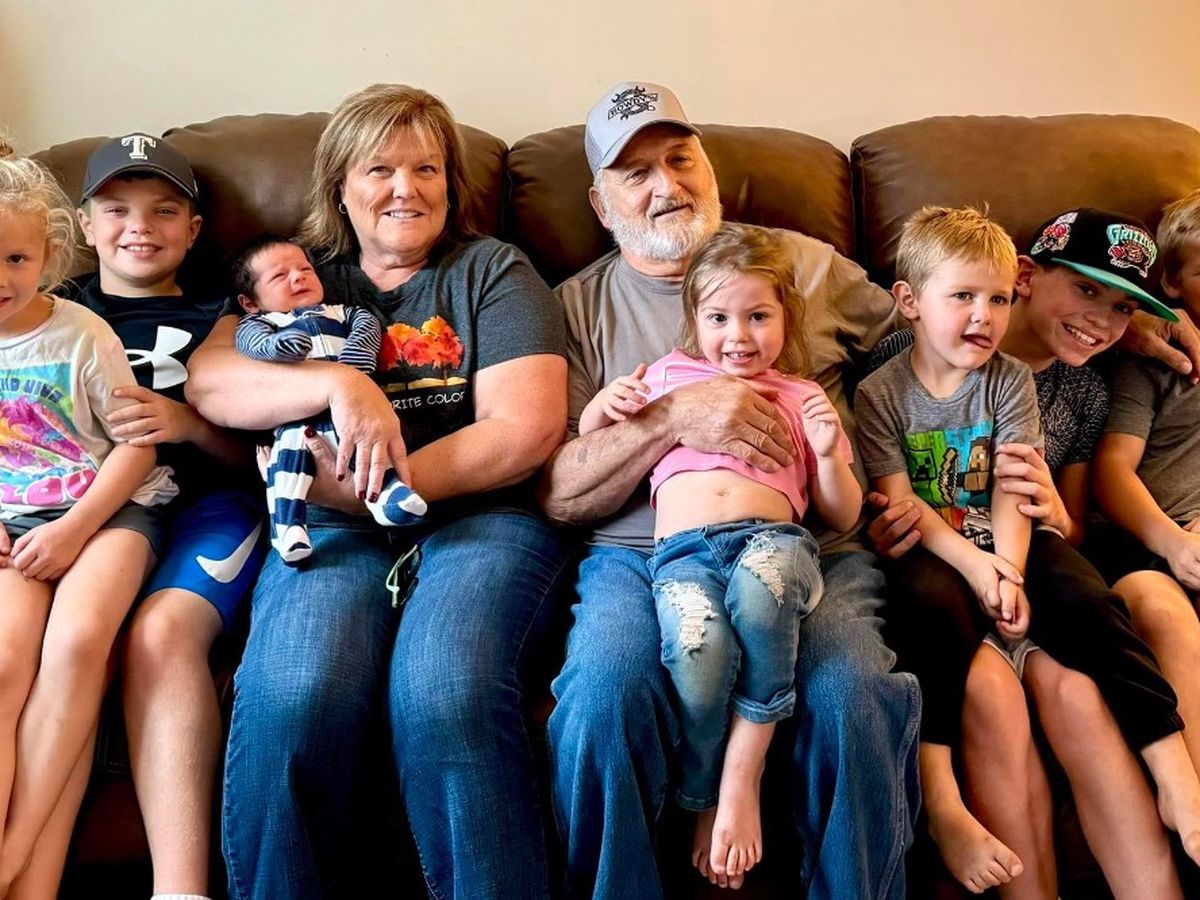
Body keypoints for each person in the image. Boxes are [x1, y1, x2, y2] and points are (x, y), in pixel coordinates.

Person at [185, 84, 568, 900]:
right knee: (293, 698)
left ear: (451, 183)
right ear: (340, 186)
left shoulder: (493, 270)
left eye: (426, 169)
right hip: (325, 528)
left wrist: (377, 488)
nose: (406, 188)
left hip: (477, 520)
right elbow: (211, 383)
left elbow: (524, 430)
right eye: (380, 169)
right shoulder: (296, 276)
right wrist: (339, 384)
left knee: (446, 694)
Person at [539, 81, 920, 898]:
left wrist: (904, 477)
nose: (667, 185)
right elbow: (559, 492)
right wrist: (674, 417)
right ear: (601, 205)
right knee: (602, 699)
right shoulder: (576, 307)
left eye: (681, 159)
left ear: (710, 166)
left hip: (810, 547)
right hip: (641, 557)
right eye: (636, 173)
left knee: (853, 695)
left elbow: (924, 352)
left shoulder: (805, 266)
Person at [867, 207, 1200, 897]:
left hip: (1028, 564)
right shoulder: (899, 361)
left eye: (1121, 308)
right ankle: (954, 816)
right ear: (1026, 276)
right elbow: (884, 488)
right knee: (987, 691)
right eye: (1084, 291)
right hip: (944, 565)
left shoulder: (1083, 387)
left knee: (1076, 688)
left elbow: (1070, 529)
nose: (1100, 320)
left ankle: (1178, 794)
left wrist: (1045, 523)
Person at [581, 223, 861, 884]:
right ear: (693, 320)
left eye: (758, 316)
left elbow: (843, 514)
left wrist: (827, 456)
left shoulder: (802, 394)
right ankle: (704, 793)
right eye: (719, 317)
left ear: (786, 319)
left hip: (772, 543)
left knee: (764, 597)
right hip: (682, 556)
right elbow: (592, 445)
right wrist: (600, 407)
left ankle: (743, 775)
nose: (739, 335)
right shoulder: (665, 379)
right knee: (699, 656)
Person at [69, 133, 266, 900]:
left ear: (194, 228)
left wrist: (188, 425)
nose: (139, 227)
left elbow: (259, 453)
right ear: (85, 225)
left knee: (160, 633)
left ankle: (180, 889)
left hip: (209, 507)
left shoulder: (226, 316)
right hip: (90, 511)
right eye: (117, 209)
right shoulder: (50, 309)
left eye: (163, 210)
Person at [0, 142, 176, 897]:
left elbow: (139, 449)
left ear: (47, 255)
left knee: (75, 643)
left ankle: (10, 862)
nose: (1, 277)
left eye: (15, 258)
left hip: (108, 512)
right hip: (14, 524)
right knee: (4, 664)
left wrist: (74, 529)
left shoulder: (81, 332)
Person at [855, 206, 1040, 894]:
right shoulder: (879, 393)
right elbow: (902, 506)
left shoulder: (1010, 379)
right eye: (962, 295)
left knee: (1089, 604)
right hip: (928, 550)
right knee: (933, 606)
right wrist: (977, 565)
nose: (983, 316)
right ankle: (939, 796)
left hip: (1002, 540)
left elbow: (1016, 486)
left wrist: (1010, 573)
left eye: (999, 299)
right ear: (909, 301)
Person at [1095, 189, 1200, 842]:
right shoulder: (1155, 362)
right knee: (1162, 612)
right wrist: (1174, 542)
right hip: (1154, 544)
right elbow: (1112, 471)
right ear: (1171, 283)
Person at [231, 236, 426, 563]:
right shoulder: (262, 323)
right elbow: (252, 343)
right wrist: (280, 346)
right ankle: (288, 527)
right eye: (280, 276)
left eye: (305, 269)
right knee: (289, 457)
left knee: (370, 445)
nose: (298, 277)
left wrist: (353, 366)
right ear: (250, 302)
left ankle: (390, 497)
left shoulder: (341, 313)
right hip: (296, 417)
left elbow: (367, 327)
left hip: (353, 412)